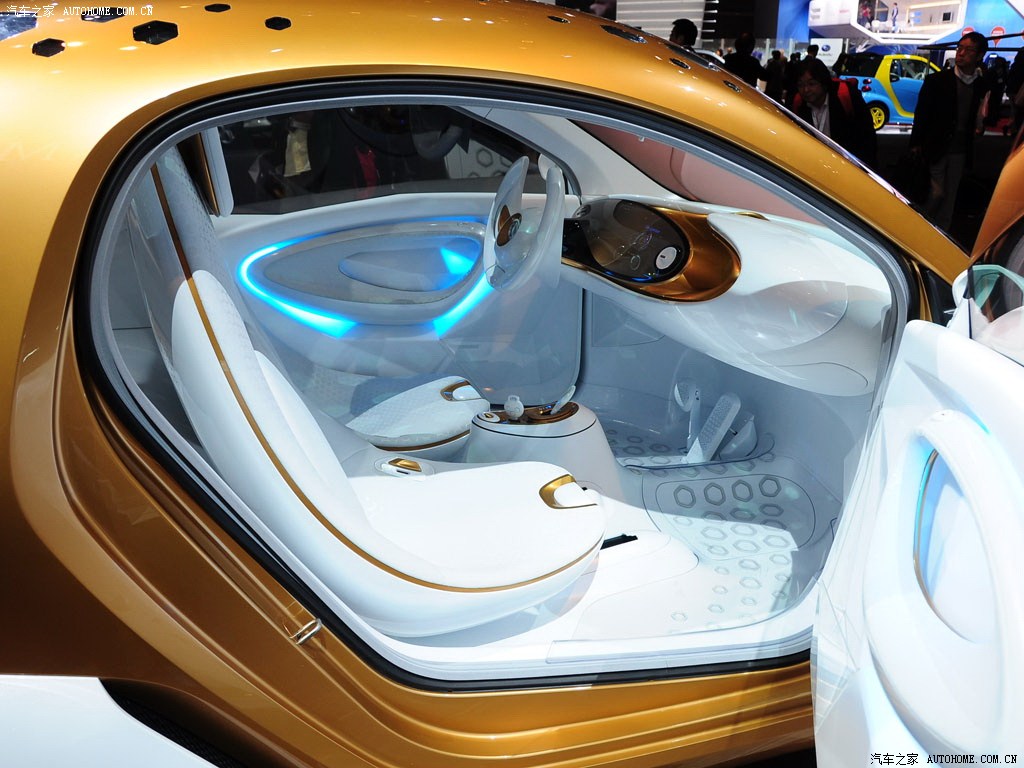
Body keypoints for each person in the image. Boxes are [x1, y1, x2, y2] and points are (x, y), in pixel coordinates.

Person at [909, 32, 990, 230]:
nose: (961, 53)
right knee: (937, 192)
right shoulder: (937, 80)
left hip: (960, 148)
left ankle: (941, 233)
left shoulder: (980, 84)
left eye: (968, 50)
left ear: (979, 55)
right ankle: (919, 226)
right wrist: (916, 143)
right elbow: (922, 113)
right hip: (935, 144)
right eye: (959, 48)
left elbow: (982, 113)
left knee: (951, 195)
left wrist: (980, 126)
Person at [792, 57, 877, 167]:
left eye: (811, 84)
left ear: (823, 83)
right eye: (800, 85)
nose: (806, 90)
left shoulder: (845, 96)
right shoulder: (799, 104)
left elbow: (867, 137)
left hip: (848, 165)